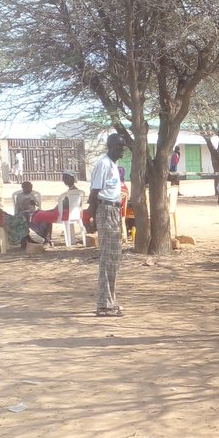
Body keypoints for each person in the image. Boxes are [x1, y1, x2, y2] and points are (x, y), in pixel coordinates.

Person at [87, 135, 126, 316]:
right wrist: (91, 218)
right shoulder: (103, 164)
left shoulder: (113, 166)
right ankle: (103, 305)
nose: (122, 149)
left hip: (115, 211)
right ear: (109, 146)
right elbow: (94, 193)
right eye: (118, 146)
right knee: (107, 258)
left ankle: (110, 301)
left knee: (114, 258)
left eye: (123, 146)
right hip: (105, 210)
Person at [30, 172, 86, 245]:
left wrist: (56, 208)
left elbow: (65, 205)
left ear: (72, 179)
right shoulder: (78, 192)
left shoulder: (71, 192)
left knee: (38, 215)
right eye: (63, 179)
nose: (64, 180)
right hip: (73, 213)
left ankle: (47, 239)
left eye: (66, 178)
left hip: (64, 214)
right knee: (41, 213)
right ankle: (47, 239)